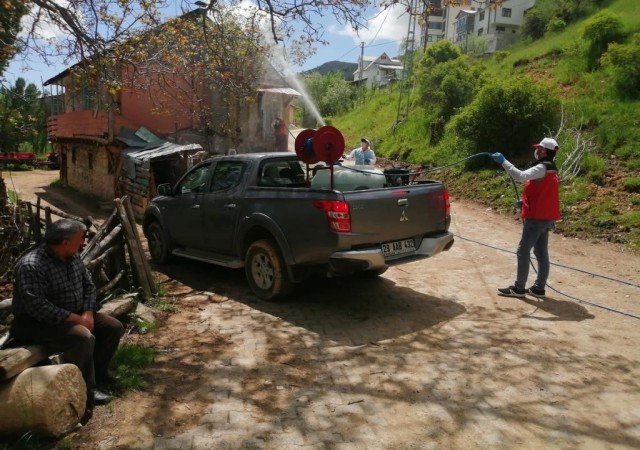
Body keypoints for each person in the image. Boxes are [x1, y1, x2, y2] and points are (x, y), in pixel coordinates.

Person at [7, 219, 124, 424]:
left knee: (113, 327)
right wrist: (76, 319)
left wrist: (87, 312)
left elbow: (88, 285)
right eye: (80, 239)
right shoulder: (31, 265)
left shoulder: (73, 257)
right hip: (35, 323)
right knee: (81, 336)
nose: (84, 243)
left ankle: (99, 372)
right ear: (64, 242)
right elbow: (38, 307)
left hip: (75, 313)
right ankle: (87, 390)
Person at [490, 137, 561, 299]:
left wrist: (504, 161)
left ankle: (519, 288)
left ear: (544, 151)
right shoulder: (552, 169)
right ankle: (538, 288)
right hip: (546, 216)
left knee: (523, 251)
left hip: (536, 218)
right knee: (541, 252)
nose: (537, 151)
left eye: (539, 148)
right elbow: (545, 192)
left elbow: (520, 176)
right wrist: (526, 201)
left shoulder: (542, 167)